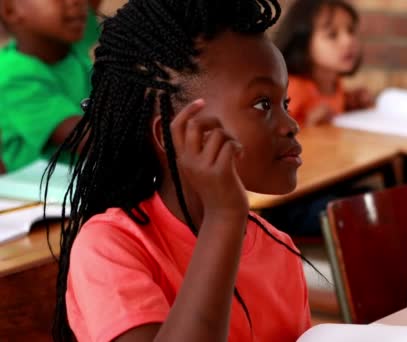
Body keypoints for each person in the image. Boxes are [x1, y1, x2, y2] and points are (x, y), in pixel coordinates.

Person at [45, 0, 312, 341]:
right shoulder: (111, 247)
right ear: (170, 133)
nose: (290, 124)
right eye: (262, 104)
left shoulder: (278, 248)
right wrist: (224, 216)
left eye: (284, 103)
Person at [0, 0, 102, 172]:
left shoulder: (69, 45)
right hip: (33, 194)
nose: (77, 2)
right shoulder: (12, 74)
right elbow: (87, 139)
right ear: (10, 11)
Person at [274, 0, 372, 127]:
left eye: (351, 31)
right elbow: (271, 134)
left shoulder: (334, 82)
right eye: (332, 35)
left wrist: (350, 103)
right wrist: (307, 125)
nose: (348, 41)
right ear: (303, 43)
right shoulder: (293, 90)